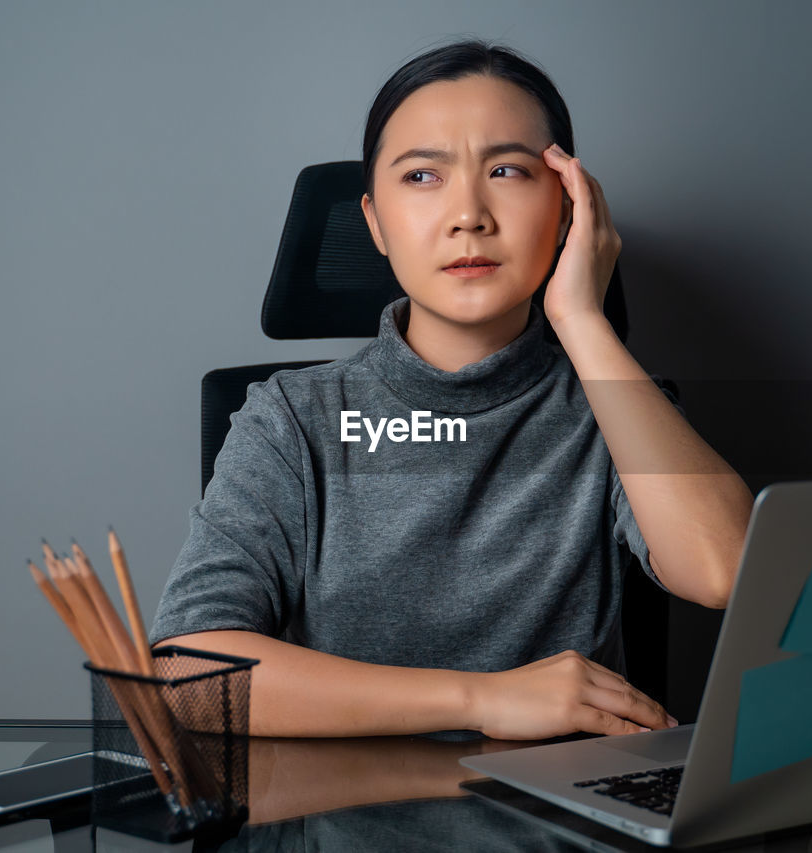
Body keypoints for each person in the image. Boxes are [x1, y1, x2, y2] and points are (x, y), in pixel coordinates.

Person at [148, 38, 754, 741]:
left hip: (559, 818)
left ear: (567, 208)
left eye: (507, 169)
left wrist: (583, 319)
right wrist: (479, 699)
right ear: (374, 223)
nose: (469, 213)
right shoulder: (293, 418)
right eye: (423, 177)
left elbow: (725, 569)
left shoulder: (613, 407)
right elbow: (187, 675)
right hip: (338, 820)